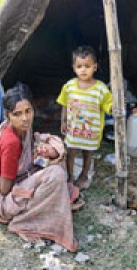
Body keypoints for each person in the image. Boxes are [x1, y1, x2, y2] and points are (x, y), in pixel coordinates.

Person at [0, 83, 78, 252]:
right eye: (17, 114)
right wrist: (29, 176)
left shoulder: (21, 129)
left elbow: (30, 150)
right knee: (55, 174)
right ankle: (24, 221)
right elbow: (4, 189)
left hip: (11, 184)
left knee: (54, 152)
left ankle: (50, 200)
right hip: (2, 201)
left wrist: (40, 155)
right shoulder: (11, 142)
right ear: (7, 115)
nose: (24, 118)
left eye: (28, 111)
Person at [57, 46, 112, 189]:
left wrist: (114, 107)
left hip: (91, 132)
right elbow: (64, 104)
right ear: (74, 68)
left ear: (95, 67)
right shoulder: (69, 86)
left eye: (87, 66)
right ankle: (70, 176)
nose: (83, 70)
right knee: (71, 152)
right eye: (79, 66)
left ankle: (84, 174)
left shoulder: (101, 88)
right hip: (73, 129)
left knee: (88, 153)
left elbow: (108, 103)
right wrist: (63, 121)